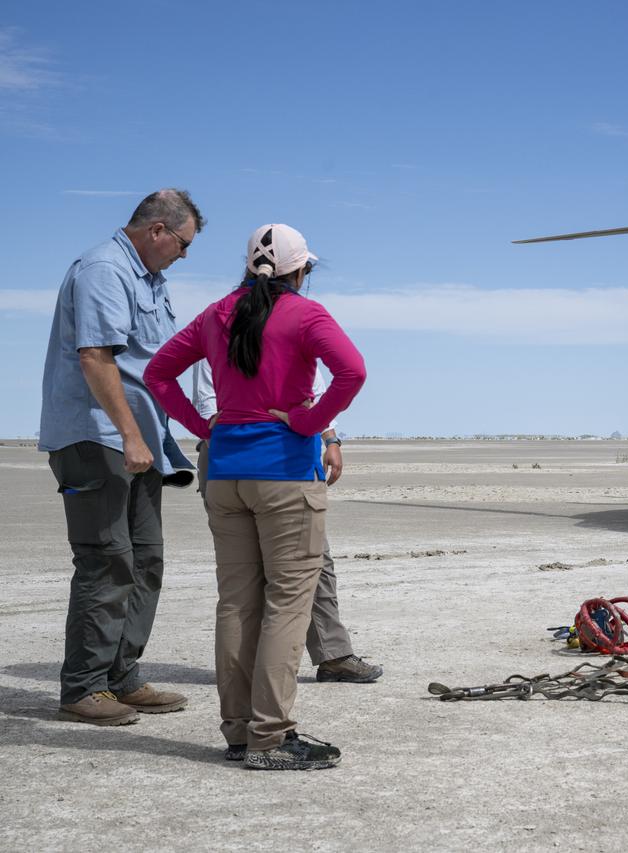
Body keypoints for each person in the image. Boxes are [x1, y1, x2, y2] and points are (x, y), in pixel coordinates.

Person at [145, 223, 366, 771]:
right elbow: (352, 371)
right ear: (300, 271)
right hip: (284, 474)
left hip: (225, 474)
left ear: (248, 267)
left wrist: (204, 424)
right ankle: (270, 738)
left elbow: (158, 373)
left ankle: (240, 732)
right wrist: (310, 424)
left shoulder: (217, 313)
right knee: (287, 606)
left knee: (236, 603)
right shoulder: (305, 314)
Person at [39, 189, 204, 726]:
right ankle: (83, 686)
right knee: (105, 559)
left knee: (146, 560)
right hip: (98, 440)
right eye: (182, 244)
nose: (183, 256)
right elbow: (95, 356)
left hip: (141, 444)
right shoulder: (104, 269)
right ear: (158, 230)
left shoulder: (150, 280)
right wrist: (130, 434)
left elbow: (152, 364)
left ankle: (120, 676)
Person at [191, 359, 382, 683]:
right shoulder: (218, 332)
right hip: (239, 461)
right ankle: (245, 673)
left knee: (314, 561)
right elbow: (206, 405)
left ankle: (332, 654)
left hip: (285, 458)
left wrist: (331, 440)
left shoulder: (295, 333)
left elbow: (317, 396)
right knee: (246, 574)